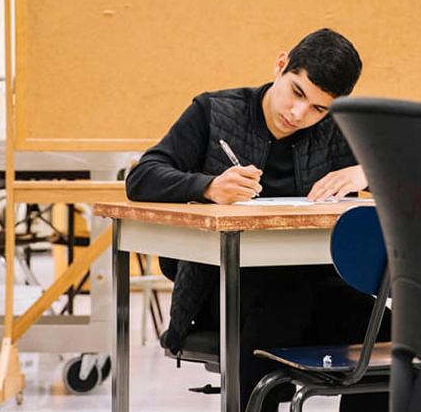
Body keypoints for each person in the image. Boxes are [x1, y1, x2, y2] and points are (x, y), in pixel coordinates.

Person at [125, 28, 390, 411]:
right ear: (281, 64)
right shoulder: (214, 111)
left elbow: (415, 179)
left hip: (315, 287)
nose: (299, 114)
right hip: (223, 289)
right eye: (297, 92)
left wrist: (366, 173)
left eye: (319, 108)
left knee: (386, 333)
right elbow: (143, 176)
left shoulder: (337, 130)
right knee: (283, 302)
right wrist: (208, 186)